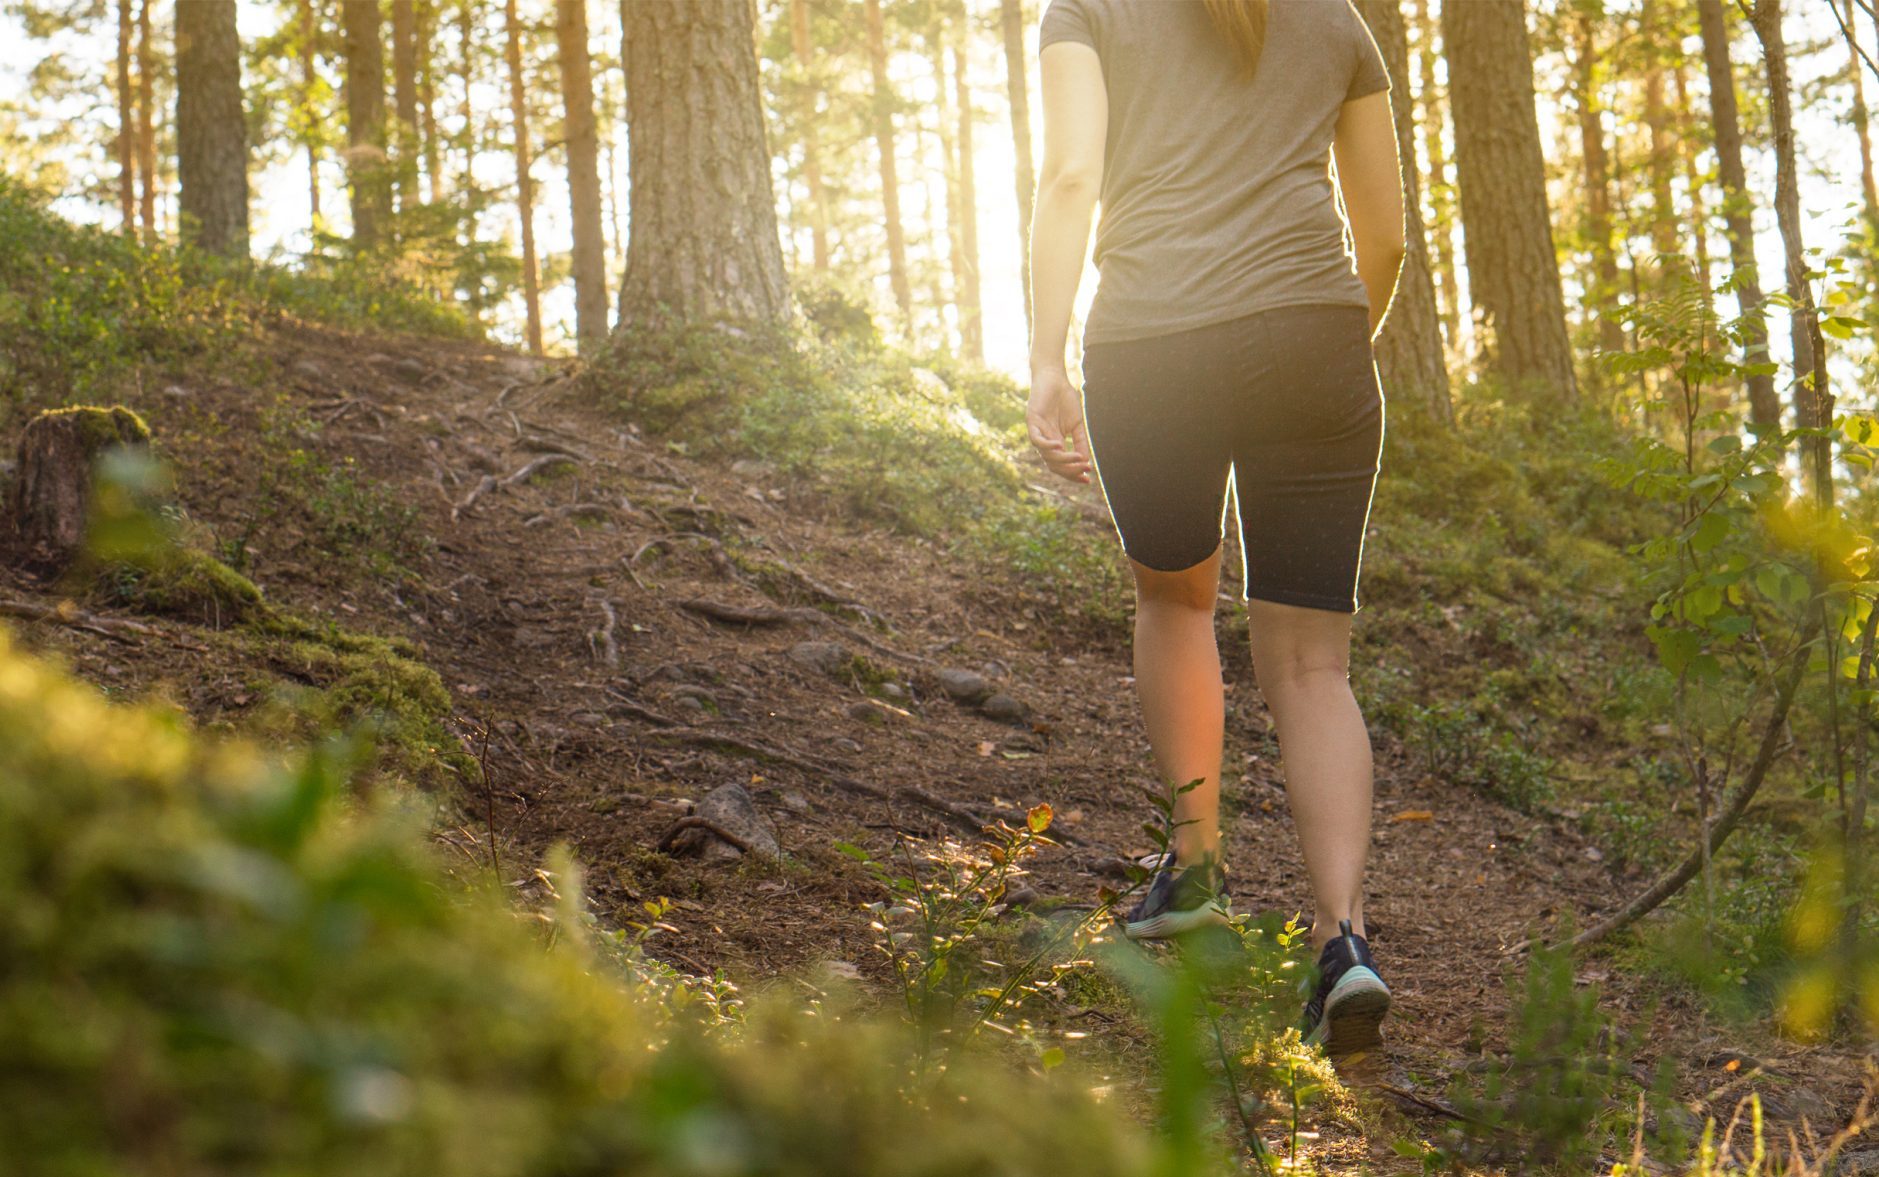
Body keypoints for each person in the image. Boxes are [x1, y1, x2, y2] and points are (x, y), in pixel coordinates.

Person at [1026, 0, 1407, 1057]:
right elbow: (1386, 235)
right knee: (1312, 665)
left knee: (1173, 594)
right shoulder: (1334, 20)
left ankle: (1195, 864)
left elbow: (1069, 178)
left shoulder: (1086, 12)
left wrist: (1046, 355)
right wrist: (1329, 343)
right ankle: (1343, 942)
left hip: (1155, 345)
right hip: (1317, 338)